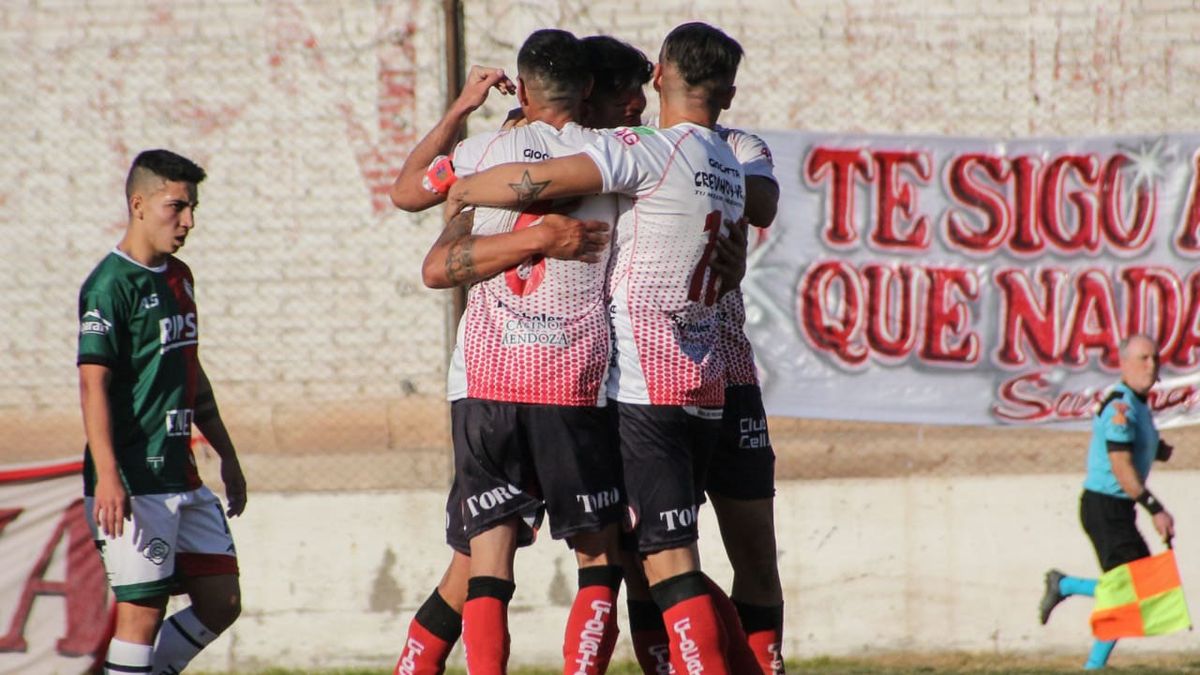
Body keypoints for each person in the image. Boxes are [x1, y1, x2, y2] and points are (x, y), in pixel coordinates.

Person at [448, 22, 752, 675]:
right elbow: (744, 234)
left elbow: (544, 176)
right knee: (657, 557)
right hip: (702, 382)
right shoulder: (728, 161)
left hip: (643, 385)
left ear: (665, 72)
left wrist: (469, 184)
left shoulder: (648, 151)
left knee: (663, 563)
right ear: (726, 91)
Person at [387, 35, 655, 675]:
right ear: (588, 90)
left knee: (483, 559)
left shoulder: (479, 154)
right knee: (599, 553)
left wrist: (460, 110)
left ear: (526, 89)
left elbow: (404, 192)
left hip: (487, 377)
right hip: (571, 376)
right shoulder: (613, 155)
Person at [78, 149, 246, 675]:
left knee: (222, 601)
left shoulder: (180, 277)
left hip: (183, 474)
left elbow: (189, 371)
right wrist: (108, 475)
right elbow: (92, 386)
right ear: (139, 205)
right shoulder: (109, 286)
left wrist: (229, 455)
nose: (189, 221)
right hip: (135, 479)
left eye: (193, 207)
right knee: (141, 618)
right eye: (177, 206)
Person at [1038, 334, 1176, 670]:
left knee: (1135, 592)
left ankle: (1066, 589)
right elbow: (1121, 467)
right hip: (1104, 509)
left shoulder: (1138, 404)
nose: (1151, 365)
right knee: (1134, 592)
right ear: (1123, 364)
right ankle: (1067, 591)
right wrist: (1156, 509)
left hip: (1116, 508)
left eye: (1155, 358)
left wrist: (1156, 449)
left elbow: (1129, 448)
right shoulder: (1121, 406)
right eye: (1143, 358)